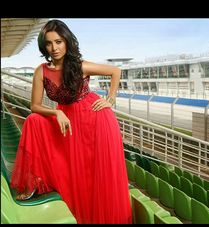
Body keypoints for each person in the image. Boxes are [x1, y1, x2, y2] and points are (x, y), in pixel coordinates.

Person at [10, 19, 132, 224]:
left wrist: (110, 99)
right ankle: (34, 183)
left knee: (94, 177)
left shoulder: (80, 66)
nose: (54, 47)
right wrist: (56, 113)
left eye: (58, 42)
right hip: (66, 120)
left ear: (66, 41)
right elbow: (35, 106)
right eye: (49, 43)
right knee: (33, 121)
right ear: (44, 46)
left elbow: (115, 71)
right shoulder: (41, 71)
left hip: (95, 120)